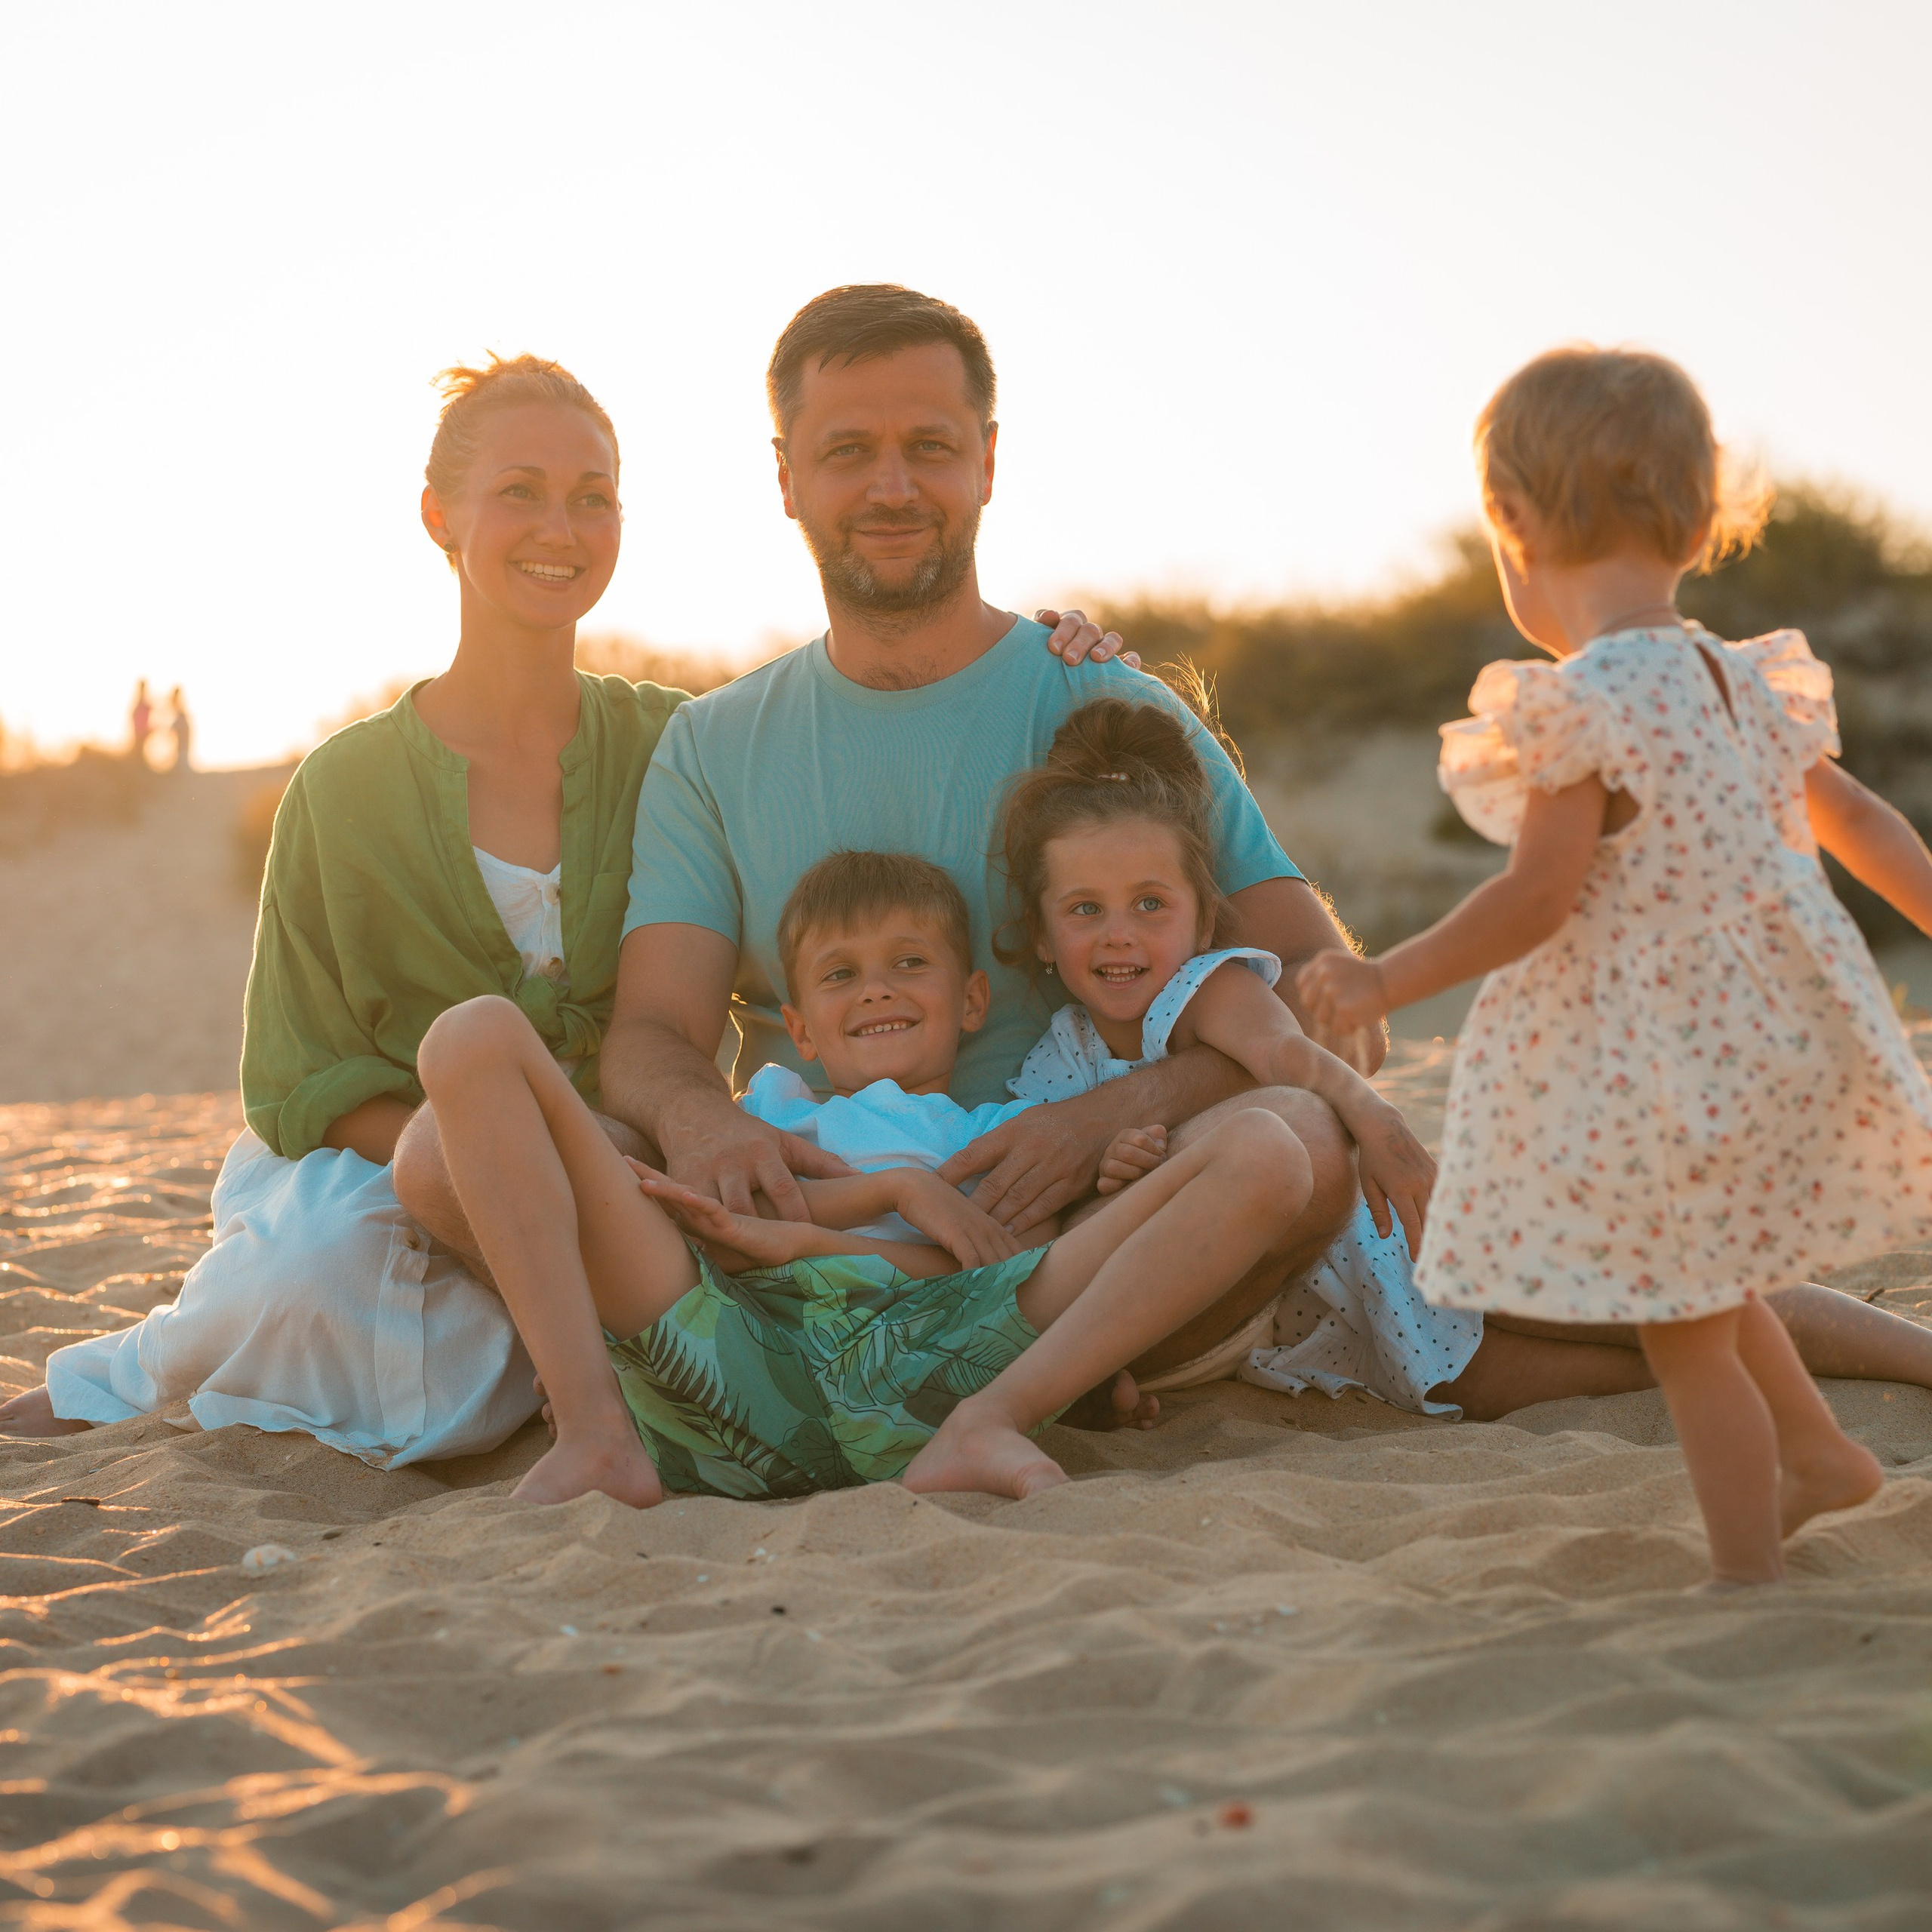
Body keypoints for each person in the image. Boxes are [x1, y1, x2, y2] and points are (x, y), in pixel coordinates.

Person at [0, 349, 1125, 1454]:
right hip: (383, 1163)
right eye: (520, 494)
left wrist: (1047, 644)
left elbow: (823, 907)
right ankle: (139, 1373)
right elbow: (301, 1079)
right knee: (315, 1276)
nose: (561, 528)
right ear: (441, 516)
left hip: (621, 1174)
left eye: (594, 499)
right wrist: (506, 1152)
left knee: (602, 1302)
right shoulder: (341, 787)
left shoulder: (670, 745)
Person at [595, 284, 1374, 1396]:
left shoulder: (1102, 696)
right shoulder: (712, 744)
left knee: (1299, 1132)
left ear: (990, 461)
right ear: (785, 478)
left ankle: (1044, 1363)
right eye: (848, 450)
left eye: (931, 447)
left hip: (1090, 1212)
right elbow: (650, 1032)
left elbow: (1317, 980)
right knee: (583, 1157)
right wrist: (700, 1122)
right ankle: (999, 1375)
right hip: (818, 1223)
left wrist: (1113, 1111)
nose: (893, 486)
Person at [1300, 346, 1932, 1587]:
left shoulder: (1579, 702)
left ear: (1515, 525)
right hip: (1772, 1042)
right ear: (1702, 519)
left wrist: (1386, 981)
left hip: (1650, 1067)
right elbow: (1863, 826)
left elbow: (1535, 900)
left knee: (1679, 1326)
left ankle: (1746, 1566)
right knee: (1700, 1276)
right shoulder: (1744, 680)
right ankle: (1819, 1451)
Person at [400, 851, 1328, 1503]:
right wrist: (893, 1196)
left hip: (950, 1361)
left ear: (972, 1000)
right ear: (799, 1028)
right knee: (470, 1034)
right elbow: (733, 1228)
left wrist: (841, 1228)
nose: (877, 989)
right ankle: (596, 1433)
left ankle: (992, 1424)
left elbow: (1018, 1260)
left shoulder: (1005, 1129)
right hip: (732, 1342)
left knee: (1269, 1151)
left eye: (908, 965)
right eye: (841, 975)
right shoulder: (770, 1112)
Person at [165, 687, 193, 774]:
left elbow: (180, 716)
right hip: (182, 726)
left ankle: (183, 770)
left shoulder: (179, 702)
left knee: (182, 748)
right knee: (181, 748)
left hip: (182, 726)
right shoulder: (177, 701)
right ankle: (182, 768)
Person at [128, 681, 153, 767]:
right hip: (140, 731)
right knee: (138, 750)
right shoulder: (140, 701)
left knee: (139, 750)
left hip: (141, 730)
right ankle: (137, 765)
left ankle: (138, 765)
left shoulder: (141, 701)